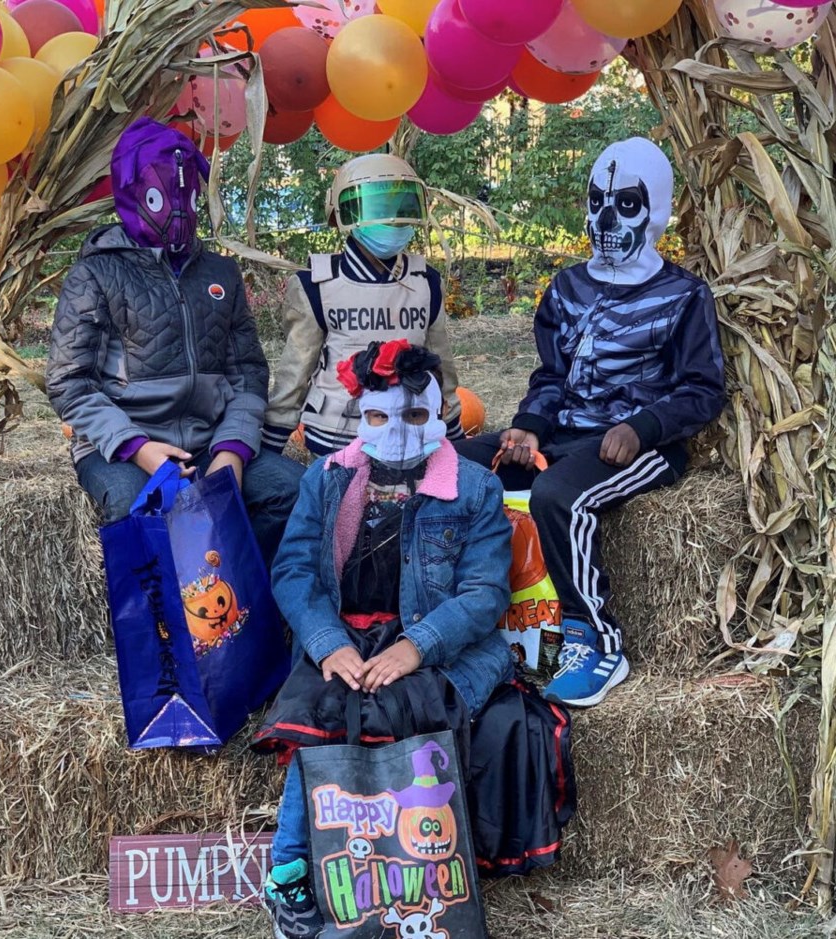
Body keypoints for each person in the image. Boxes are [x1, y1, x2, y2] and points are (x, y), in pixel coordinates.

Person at [253, 341, 574, 939]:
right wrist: (326, 642)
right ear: (361, 415)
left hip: (440, 643)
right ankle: (290, 869)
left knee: (401, 705)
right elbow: (294, 572)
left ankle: (412, 874)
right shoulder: (326, 479)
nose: (396, 430)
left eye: (415, 416)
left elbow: (484, 594)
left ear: (439, 415)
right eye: (378, 417)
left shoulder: (475, 488)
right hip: (346, 633)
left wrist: (417, 646)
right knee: (324, 708)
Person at [456, 137, 726, 709]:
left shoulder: (682, 295)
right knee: (452, 465)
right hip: (565, 430)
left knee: (559, 496)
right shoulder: (567, 287)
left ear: (654, 210)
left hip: (642, 443)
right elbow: (552, 372)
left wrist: (645, 427)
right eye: (596, 201)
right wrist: (528, 425)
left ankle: (596, 640)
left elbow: (704, 390)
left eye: (625, 203)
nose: (605, 218)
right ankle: (464, 615)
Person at [46, 117, 304, 565]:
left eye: (187, 195)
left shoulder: (220, 273)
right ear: (131, 193)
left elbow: (247, 372)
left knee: (293, 490)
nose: (178, 210)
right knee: (133, 512)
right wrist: (138, 448)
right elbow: (70, 383)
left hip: (210, 441)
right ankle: (167, 628)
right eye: (161, 195)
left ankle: (245, 603)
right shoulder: (95, 274)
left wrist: (233, 450)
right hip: (124, 449)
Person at [260, 154, 466, 457]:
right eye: (378, 208)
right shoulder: (315, 284)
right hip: (336, 436)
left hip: (411, 431)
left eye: (400, 207)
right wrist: (271, 445)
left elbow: (440, 363)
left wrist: (454, 433)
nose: (392, 219)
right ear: (343, 213)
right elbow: (296, 370)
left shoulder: (426, 281)